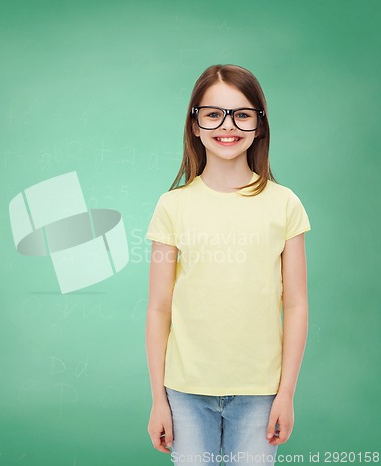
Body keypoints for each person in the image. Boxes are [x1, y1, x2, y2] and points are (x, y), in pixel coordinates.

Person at [145, 64, 311, 466]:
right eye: (213, 113)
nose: (228, 125)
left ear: (258, 124)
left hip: (260, 391)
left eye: (242, 113)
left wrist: (286, 392)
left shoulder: (284, 203)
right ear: (196, 123)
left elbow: (296, 304)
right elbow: (158, 307)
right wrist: (158, 400)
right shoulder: (173, 206)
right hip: (185, 391)